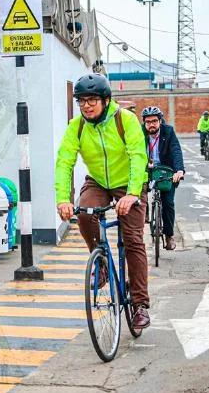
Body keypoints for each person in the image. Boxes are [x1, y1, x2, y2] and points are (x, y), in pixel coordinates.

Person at [55, 73, 152, 330]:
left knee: (132, 240)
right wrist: (63, 199)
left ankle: (140, 305)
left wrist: (132, 193)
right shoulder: (76, 126)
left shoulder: (125, 120)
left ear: (106, 100)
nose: (86, 105)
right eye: (81, 101)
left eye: (92, 100)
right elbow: (64, 162)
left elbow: (138, 156)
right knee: (85, 213)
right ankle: (101, 262)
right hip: (98, 181)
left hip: (129, 182)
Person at [141, 106, 185, 250]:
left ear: (160, 121)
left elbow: (176, 150)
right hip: (145, 168)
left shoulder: (168, 131)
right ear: (144, 123)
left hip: (166, 170)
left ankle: (169, 236)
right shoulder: (139, 133)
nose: (151, 124)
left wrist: (179, 170)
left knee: (168, 202)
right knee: (139, 191)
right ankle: (145, 212)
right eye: (148, 122)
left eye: (154, 121)